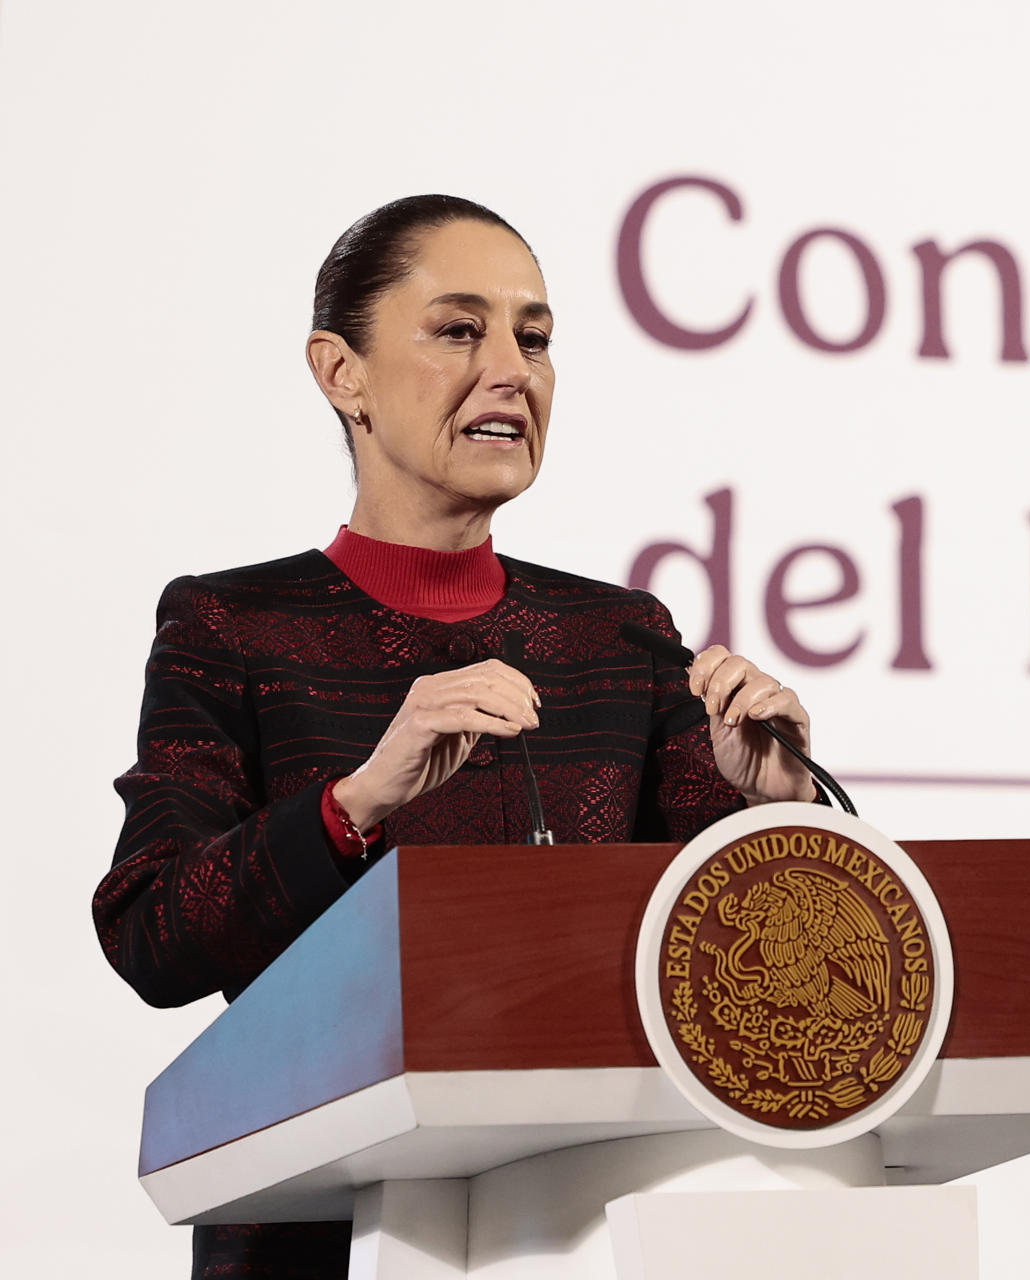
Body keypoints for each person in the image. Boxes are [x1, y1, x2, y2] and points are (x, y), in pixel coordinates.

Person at [91, 195, 818, 1280]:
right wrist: (357, 801)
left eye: (534, 337)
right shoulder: (229, 626)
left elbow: (737, 965)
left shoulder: (620, 636)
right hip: (318, 1236)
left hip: (586, 1230)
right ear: (342, 374)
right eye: (457, 329)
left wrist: (773, 804)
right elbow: (154, 931)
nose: (512, 370)